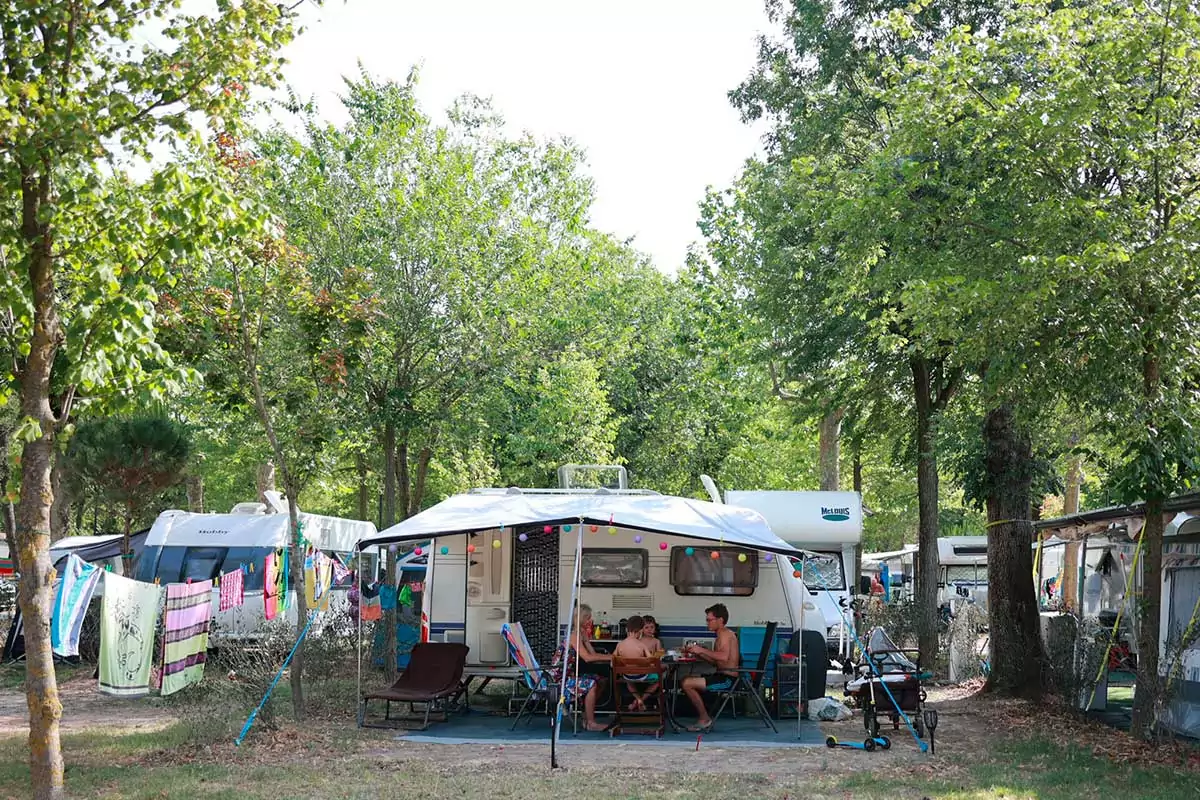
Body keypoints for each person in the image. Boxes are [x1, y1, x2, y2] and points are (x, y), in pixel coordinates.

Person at [679, 603, 739, 732]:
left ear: (720, 620)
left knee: (687, 683)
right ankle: (704, 717)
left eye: (709, 620)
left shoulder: (725, 635)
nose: (707, 623)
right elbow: (716, 662)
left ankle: (704, 718)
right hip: (722, 675)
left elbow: (723, 657)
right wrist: (699, 653)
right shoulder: (721, 635)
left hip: (728, 680)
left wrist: (701, 649)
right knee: (686, 679)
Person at [554, 603, 610, 732]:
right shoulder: (573, 635)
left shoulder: (582, 632)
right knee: (591, 684)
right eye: (587, 618)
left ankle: (586, 717)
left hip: (569, 674)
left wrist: (611, 657)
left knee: (601, 680)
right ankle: (591, 723)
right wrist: (612, 658)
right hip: (560, 678)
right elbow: (588, 658)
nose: (590, 621)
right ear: (580, 618)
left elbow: (592, 654)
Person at [613, 615, 658, 711]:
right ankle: (641, 699)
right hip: (642, 676)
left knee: (629, 682)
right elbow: (651, 661)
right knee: (657, 681)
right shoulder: (641, 645)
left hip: (627, 676)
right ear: (641, 630)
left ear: (627, 629)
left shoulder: (620, 645)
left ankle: (637, 699)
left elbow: (612, 662)